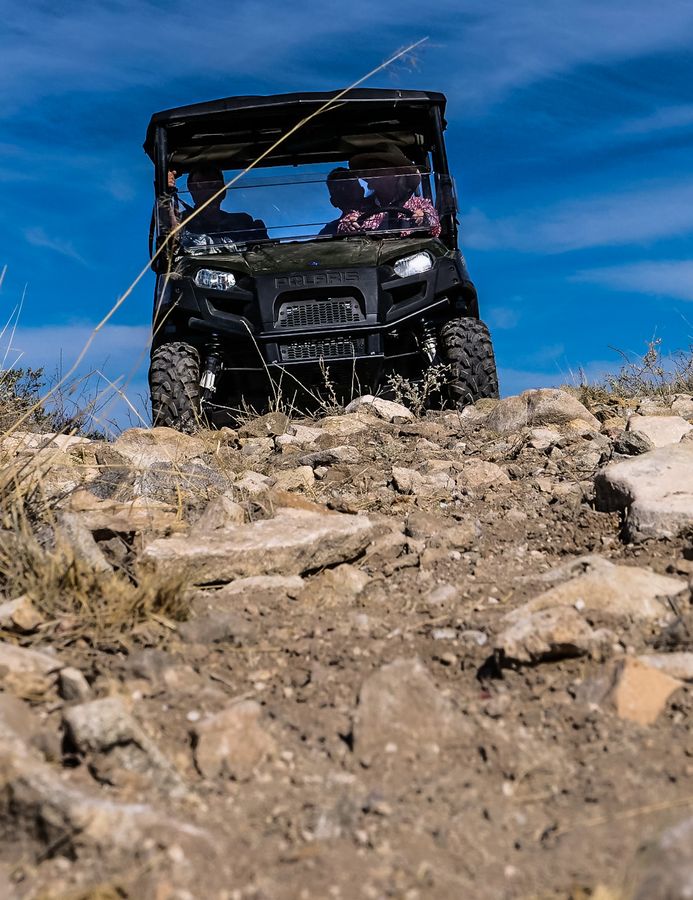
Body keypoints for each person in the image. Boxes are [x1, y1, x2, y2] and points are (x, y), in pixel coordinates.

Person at [337, 146, 441, 238]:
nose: (373, 173)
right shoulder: (361, 207)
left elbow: (435, 224)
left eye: (381, 167)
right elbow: (343, 225)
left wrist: (424, 218)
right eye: (370, 169)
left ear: (398, 173)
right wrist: (348, 225)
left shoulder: (419, 204)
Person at [167, 167, 268, 243]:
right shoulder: (181, 222)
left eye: (213, 184)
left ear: (223, 191)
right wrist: (165, 191)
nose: (208, 191)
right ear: (191, 191)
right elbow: (168, 246)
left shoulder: (243, 222)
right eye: (200, 185)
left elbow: (264, 254)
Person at [318, 167, 372, 236]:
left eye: (351, 186)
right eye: (340, 190)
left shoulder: (383, 210)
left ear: (362, 191)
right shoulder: (329, 230)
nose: (348, 192)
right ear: (333, 202)